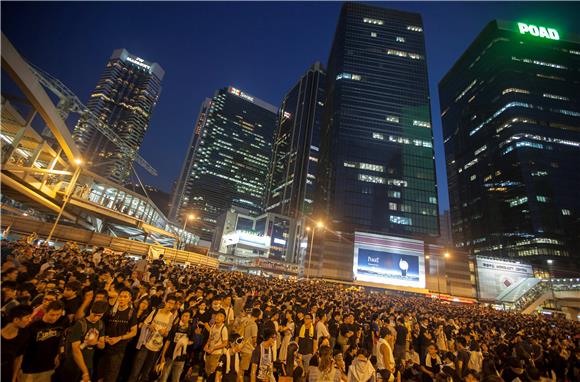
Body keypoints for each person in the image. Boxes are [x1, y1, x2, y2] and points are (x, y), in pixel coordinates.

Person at [128, 293, 177, 382]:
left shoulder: (171, 317)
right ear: (165, 302)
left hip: (156, 347)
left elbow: (167, 333)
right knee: (136, 368)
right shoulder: (156, 312)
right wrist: (150, 326)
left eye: (173, 304)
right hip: (146, 343)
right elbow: (145, 323)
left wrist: (164, 333)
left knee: (147, 370)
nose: (170, 305)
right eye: (169, 302)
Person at [55, 301, 108, 382]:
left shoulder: (101, 324)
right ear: (90, 311)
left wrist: (95, 342)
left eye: (99, 316)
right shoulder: (80, 325)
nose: (96, 318)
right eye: (94, 315)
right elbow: (75, 351)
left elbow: (102, 346)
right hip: (73, 366)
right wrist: (85, 372)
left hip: (88, 364)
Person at [97, 287, 138, 382]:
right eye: (120, 296)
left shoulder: (131, 313)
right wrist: (104, 336)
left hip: (118, 350)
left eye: (125, 297)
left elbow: (134, 332)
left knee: (111, 374)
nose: (122, 299)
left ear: (130, 299)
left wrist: (119, 338)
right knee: (100, 372)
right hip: (105, 346)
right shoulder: (111, 310)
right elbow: (102, 325)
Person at [19, 300, 66, 382]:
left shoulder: (61, 324)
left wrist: (58, 354)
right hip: (29, 369)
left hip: (48, 368)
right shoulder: (33, 326)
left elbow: (61, 341)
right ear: (45, 312)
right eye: (52, 314)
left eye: (58, 315)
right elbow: (22, 349)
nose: (54, 317)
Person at [1, 304, 33, 382]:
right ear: (16, 320)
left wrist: (13, 377)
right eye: (27, 317)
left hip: (5, 371)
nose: (30, 320)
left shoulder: (24, 334)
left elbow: (18, 358)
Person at [205, 309, 230, 379]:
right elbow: (210, 338)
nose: (218, 317)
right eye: (217, 315)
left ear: (224, 319)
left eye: (220, 316)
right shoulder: (213, 326)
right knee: (207, 371)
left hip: (217, 354)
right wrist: (206, 345)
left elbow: (225, 343)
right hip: (209, 352)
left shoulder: (224, 329)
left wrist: (214, 348)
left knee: (213, 373)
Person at [241, 308, 261, 375]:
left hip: (240, 347)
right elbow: (254, 339)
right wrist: (255, 345)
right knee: (242, 371)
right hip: (247, 349)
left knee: (239, 368)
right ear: (258, 316)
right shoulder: (254, 325)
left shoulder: (245, 321)